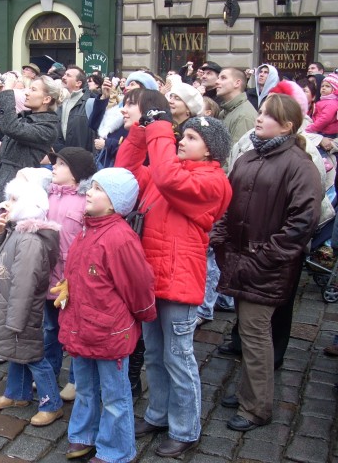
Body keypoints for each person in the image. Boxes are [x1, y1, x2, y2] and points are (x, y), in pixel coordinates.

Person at [116, 91, 232, 458]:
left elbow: (165, 177)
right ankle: (158, 414)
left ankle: (186, 429)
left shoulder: (212, 183)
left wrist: (162, 128)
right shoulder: (171, 172)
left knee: (178, 358)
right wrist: (140, 130)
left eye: (192, 138)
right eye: (183, 136)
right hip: (152, 278)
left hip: (180, 283)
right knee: (154, 354)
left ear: (211, 151)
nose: (183, 140)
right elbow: (127, 170)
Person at [211, 93, 322, 432]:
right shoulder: (248, 158)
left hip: (267, 265)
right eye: (259, 113)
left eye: (268, 116)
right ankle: (249, 392)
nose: (259, 119)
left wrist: (267, 255)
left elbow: (303, 221)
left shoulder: (299, 164)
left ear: (287, 126)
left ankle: (256, 407)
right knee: (247, 332)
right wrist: (220, 236)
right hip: (240, 259)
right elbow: (228, 203)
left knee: (256, 333)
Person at [58, 168, 156, 462]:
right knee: (86, 387)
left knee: (114, 395)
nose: (88, 191)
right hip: (82, 325)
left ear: (115, 202)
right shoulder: (88, 228)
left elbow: (138, 285)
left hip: (108, 331)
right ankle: (84, 434)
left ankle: (116, 449)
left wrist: (142, 315)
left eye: (98, 189)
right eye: (91, 186)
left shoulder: (120, 238)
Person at [0, 178, 64, 427]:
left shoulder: (29, 240)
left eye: (14, 200)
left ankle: (52, 404)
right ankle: (17, 393)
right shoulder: (18, 231)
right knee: (15, 351)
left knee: (31, 355)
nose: (6, 204)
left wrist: (16, 318)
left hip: (20, 309)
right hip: (10, 306)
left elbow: (24, 284)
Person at [44, 147, 96, 402]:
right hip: (47, 273)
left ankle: (77, 380)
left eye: (61, 164)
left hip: (71, 277)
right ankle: (49, 371)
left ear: (76, 173)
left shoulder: (86, 202)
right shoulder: (47, 196)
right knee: (50, 326)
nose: (54, 167)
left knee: (74, 328)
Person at [0, 75, 60, 222]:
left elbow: (11, 127)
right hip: (0, 185)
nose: (27, 93)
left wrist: (8, 91)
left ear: (46, 99)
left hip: (20, 189)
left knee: (9, 236)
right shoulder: (24, 119)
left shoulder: (48, 127)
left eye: (33, 89)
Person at [57, 66, 96, 152]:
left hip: (82, 158)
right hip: (62, 156)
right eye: (64, 75)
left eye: (68, 75)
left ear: (78, 83)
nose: (63, 77)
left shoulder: (89, 102)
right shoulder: (60, 102)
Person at [216, 68, 258, 144]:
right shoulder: (224, 112)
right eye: (218, 78)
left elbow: (239, 153)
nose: (217, 82)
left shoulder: (244, 115)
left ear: (237, 83)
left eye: (223, 78)